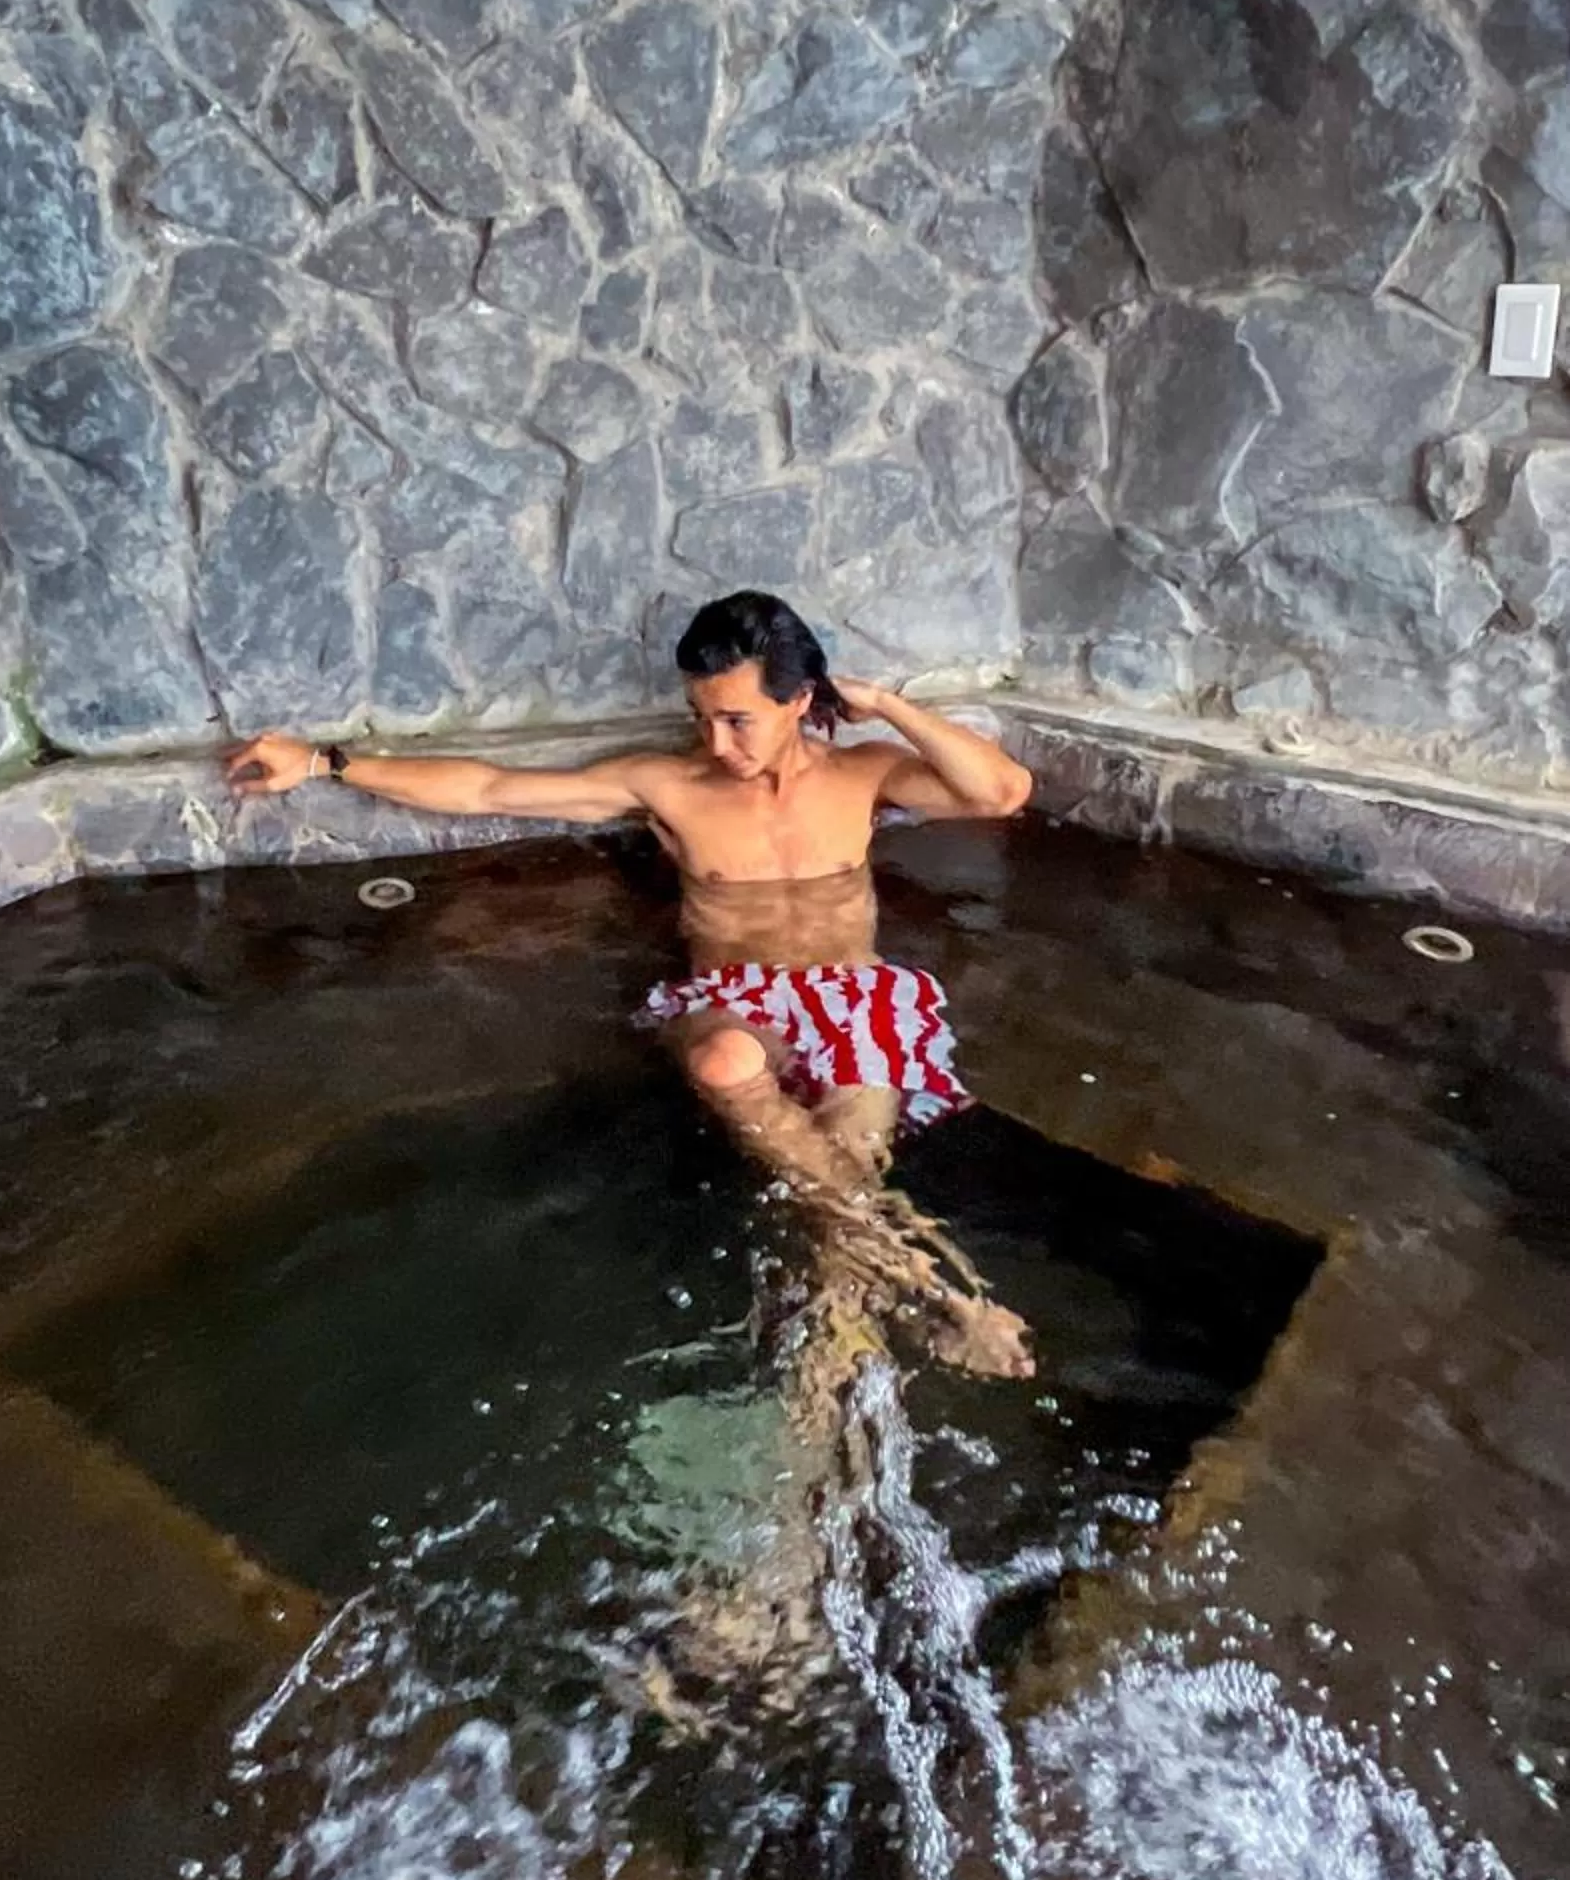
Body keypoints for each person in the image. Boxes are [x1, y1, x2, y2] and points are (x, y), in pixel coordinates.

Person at [223, 589, 1034, 1377]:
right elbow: (488, 788)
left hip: (854, 999)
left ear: (799, 701)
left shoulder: (864, 773)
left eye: (737, 719)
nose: (717, 743)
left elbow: (1002, 792)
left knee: (846, 1164)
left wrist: (887, 704)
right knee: (724, 1063)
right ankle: (940, 1293)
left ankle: (837, 1350)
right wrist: (327, 761)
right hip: (733, 1001)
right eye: (702, 717)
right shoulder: (670, 786)